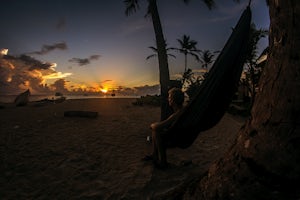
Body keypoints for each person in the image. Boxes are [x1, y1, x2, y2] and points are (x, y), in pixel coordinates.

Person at [144, 87, 185, 168]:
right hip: (178, 134)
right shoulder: (182, 110)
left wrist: (152, 125)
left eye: (169, 97)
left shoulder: (177, 113)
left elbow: (161, 125)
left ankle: (163, 162)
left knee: (156, 130)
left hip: (177, 138)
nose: (168, 99)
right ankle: (154, 155)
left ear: (173, 100)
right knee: (156, 129)